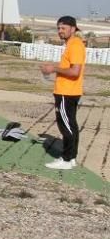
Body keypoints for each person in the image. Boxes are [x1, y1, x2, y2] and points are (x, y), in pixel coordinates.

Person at [42, 16, 86, 170]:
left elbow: (74, 72)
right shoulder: (72, 45)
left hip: (66, 92)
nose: (60, 31)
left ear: (73, 29)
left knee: (65, 126)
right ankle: (71, 157)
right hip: (68, 92)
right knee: (71, 125)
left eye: (63, 28)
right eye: (58, 28)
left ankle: (66, 159)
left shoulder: (75, 45)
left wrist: (53, 68)